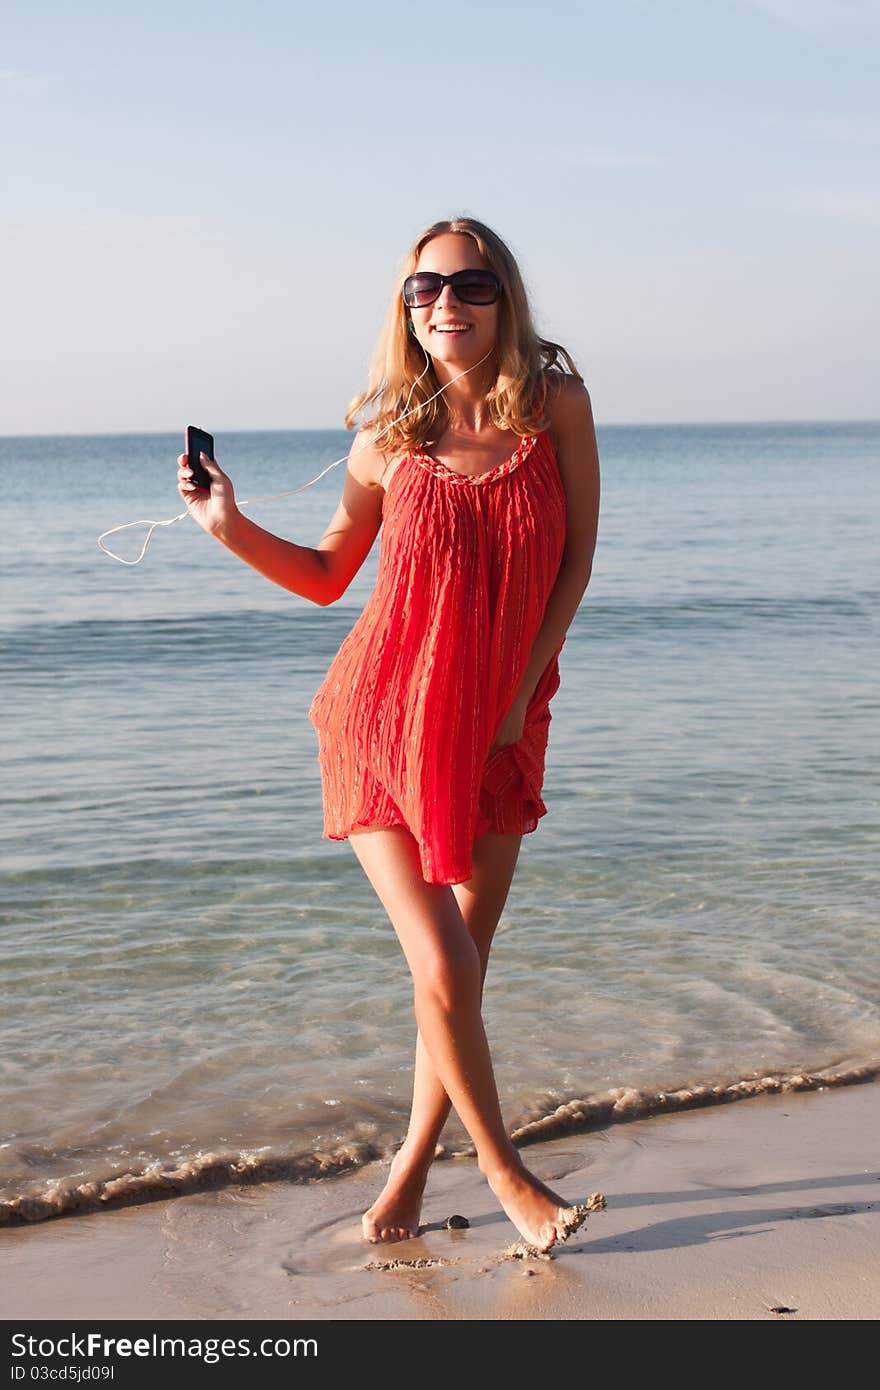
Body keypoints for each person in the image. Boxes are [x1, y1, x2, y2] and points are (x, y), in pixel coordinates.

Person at [177, 215, 601, 1252]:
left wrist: (517, 695)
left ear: (504, 297)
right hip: (381, 721)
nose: (443, 304)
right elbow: (327, 578)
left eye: (468, 284)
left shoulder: (555, 406)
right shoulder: (387, 436)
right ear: (403, 309)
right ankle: (508, 1180)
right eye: (422, 289)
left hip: (504, 723)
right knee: (445, 966)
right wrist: (228, 527)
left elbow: (576, 561)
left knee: (458, 969)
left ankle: (406, 1177)